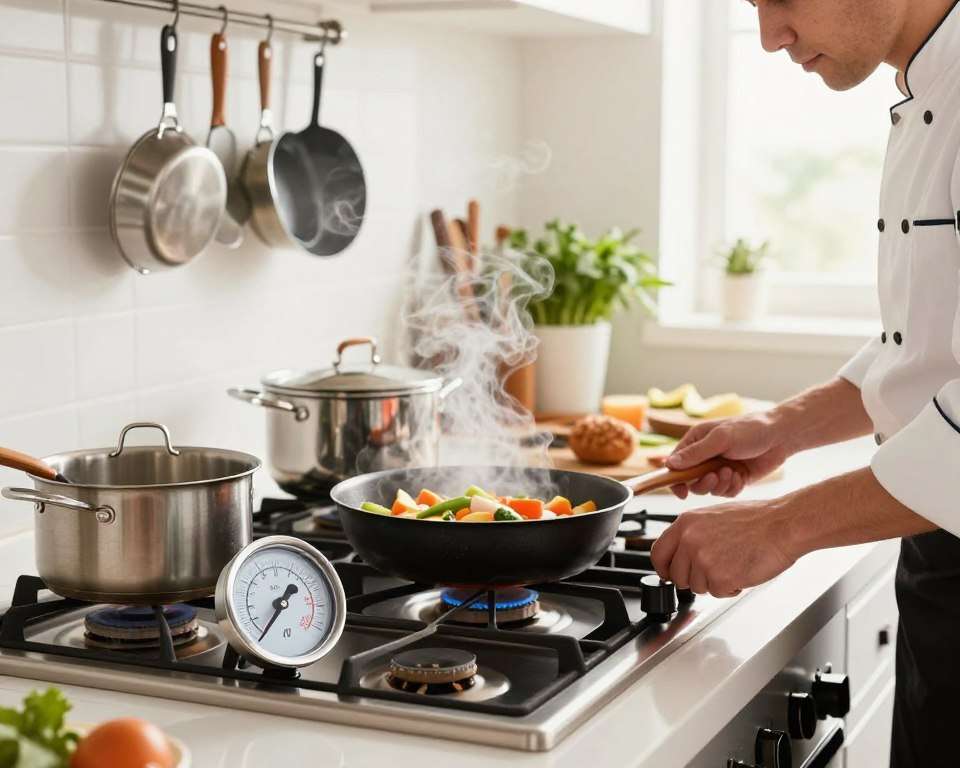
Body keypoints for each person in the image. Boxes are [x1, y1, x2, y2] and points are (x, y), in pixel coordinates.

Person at [648, 1, 960, 764]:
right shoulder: (930, 91)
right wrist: (783, 425)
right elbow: (929, 346)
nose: (768, 36)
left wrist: (779, 526)